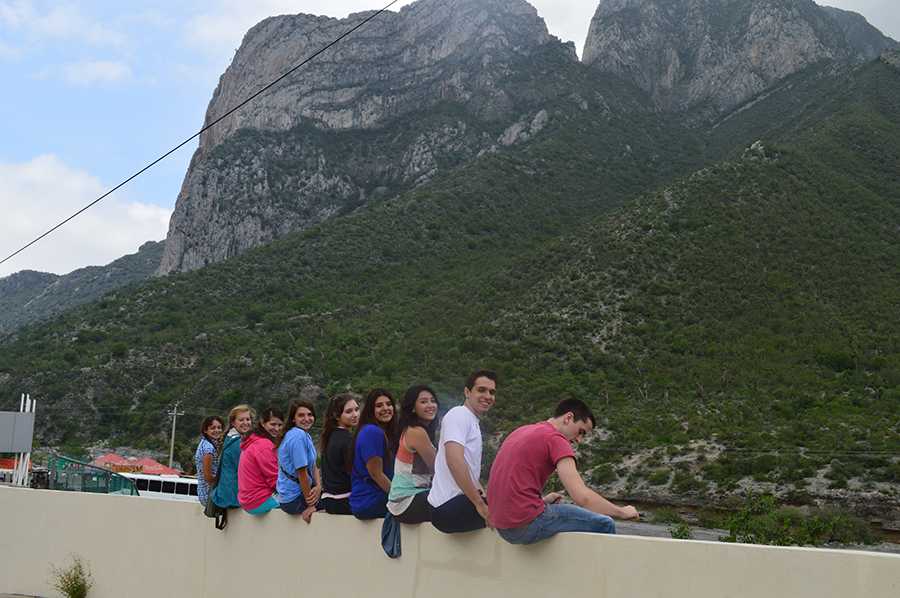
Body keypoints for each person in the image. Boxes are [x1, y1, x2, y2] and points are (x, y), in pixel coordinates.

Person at [488, 399, 640, 545]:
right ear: (568, 417)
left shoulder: (521, 431)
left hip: (502, 527)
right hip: (525, 525)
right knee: (605, 523)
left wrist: (541, 502)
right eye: (581, 432)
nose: (579, 440)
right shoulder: (556, 439)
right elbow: (583, 497)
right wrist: (622, 512)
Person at [428, 369, 496, 533]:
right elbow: (454, 460)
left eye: (492, 392)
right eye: (481, 390)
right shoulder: (459, 415)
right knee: (515, 516)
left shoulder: (471, 421)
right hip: (448, 507)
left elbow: (471, 472)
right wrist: (480, 505)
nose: (488, 396)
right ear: (467, 392)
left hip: (455, 503)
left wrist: (484, 497)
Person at [387, 385, 439, 523]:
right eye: (423, 402)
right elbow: (438, 468)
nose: (430, 405)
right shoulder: (416, 432)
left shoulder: (415, 430)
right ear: (413, 407)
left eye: (432, 400)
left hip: (405, 500)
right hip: (407, 500)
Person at [350, 389, 397, 519]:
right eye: (379, 405)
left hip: (367, 500)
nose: (386, 408)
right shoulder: (372, 432)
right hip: (371, 500)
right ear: (371, 410)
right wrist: (398, 498)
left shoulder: (373, 431)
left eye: (389, 404)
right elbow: (376, 474)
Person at [277, 400, 321, 522]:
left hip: (290, 496)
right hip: (294, 499)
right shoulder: (298, 437)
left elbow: (313, 466)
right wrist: (311, 505)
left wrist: (318, 485)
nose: (306, 418)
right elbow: (302, 473)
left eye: (310, 414)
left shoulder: (304, 434)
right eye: (301, 415)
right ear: (293, 419)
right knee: (336, 503)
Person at [238, 406, 284, 515]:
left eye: (280, 425)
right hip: (259, 501)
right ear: (263, 423)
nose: (276, 428)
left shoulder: (253, 440)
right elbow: (274, 479)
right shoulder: (264, 445)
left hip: (246, 501)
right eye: (273, 424)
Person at [320, 394, 360, 515]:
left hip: (329, 501)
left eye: (357, 409)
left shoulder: (329, 436)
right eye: (348, 411)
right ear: (337, 416)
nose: (355, 415)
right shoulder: (347, 439)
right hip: (343, 501)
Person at [211, 405, 254, 510]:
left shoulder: (231, 438)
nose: (245, 422)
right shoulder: (237, 442)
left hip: (227, 494)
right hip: (232, 496)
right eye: (241, 420)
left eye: (248, 419)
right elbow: (246, 470)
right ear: (233, 423)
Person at [194, 415, 224, 507]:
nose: (217, 430)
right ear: (205, 430)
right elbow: (208, 477)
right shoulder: (208, 449)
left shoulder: (204, 443)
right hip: (209, 494)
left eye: (219, 427)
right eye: (212, 428)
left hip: (205, 492)